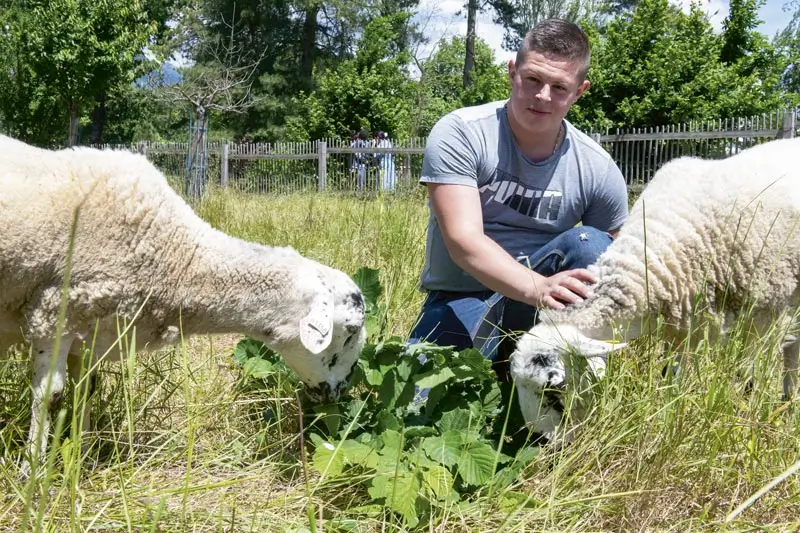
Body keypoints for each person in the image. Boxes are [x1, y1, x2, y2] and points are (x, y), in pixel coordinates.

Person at [408, 19, 629, 370]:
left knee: (591, 244)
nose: (543, 96)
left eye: (560, 87)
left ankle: (564, 362)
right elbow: (463, 241)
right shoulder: (462, 133)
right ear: (513, 72)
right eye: (533, 79)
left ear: (579, 91)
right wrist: (538, 288)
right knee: (423, 398)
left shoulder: (596, 167)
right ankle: (507, 366)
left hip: (545, 309)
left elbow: (619, 263)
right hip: (462, 296)